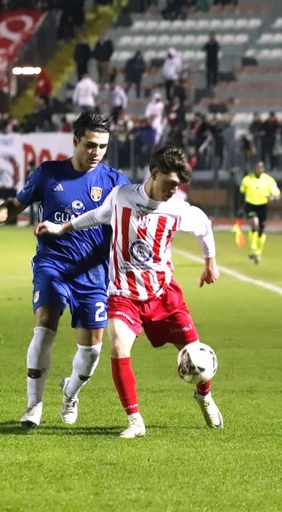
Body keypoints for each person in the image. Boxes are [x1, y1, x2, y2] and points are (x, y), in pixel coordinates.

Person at [36, 145, 223, 439]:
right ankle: (135, 421)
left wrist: (210, 263)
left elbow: (204, 227)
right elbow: (96, 215)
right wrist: (60, 229)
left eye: (179, 186)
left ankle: (204, 395)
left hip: (164, 293)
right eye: (171, 184)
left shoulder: (178, 209)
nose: (174, 191)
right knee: (119, 347)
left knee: (195, 354)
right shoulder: (123, 197)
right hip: (123, 293)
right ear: (155, 173)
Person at [0, 112, 131, 428]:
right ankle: (34, 406)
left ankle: (70, 393)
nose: (96, 152)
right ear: (75, 141)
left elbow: (137, 210)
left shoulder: (115, 181)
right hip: (52, 265)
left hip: (94, 274)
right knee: (44, 328)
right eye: (90, 145)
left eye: (102, 146)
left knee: (92, 352)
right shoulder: (49, 173)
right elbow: (16, 204)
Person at [238, 161, 280, 264]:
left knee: (261, 231)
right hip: (250, 205)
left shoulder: (268, 180)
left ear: (263, 169)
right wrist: (240, 208)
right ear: (254, 169)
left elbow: (276, 194)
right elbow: (241, 194)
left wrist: (274, 198)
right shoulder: (247, 180)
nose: (259, 169)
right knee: (254, 223)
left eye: (261, 167)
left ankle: (257, 251)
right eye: (257, 167)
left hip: (262, 206)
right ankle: (253, 248)